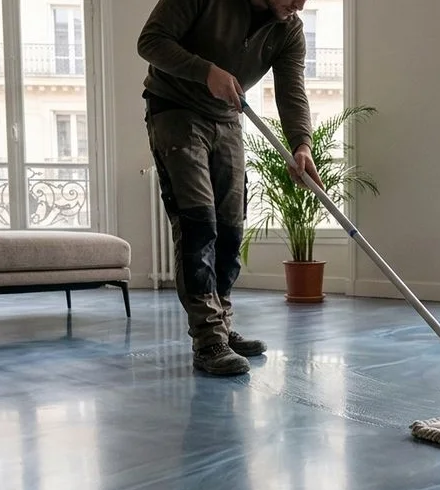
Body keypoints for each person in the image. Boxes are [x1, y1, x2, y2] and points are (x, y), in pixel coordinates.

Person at [137, 0, 321, 376]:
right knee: (198, 223)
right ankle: (208, 339)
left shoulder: (289, 29)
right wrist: (205, 71)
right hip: (175, 109)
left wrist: (301, 144)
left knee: (231, 228)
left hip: (227, 118)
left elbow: (292, 90)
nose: (299, 6)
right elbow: (150, 41)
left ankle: (221, 323)